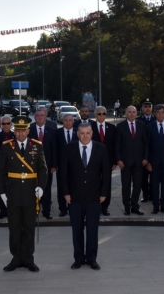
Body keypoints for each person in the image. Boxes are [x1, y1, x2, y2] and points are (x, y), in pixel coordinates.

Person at [0, 116, 48, 272]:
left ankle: (28, 259)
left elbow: (43, 169)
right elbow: (0, 172)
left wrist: (41, 187)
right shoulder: (7, 146)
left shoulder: (37, 146)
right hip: (13, 193)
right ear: (14, 131)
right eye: (17, 130)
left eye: (23, 130)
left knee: (29, 227)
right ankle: (16, 258)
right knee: (15, 227)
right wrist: (2, 193)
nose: (20, 133)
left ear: (28, 130)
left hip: (30, 193)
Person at [60, 122, 110, 270]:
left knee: (93, 229)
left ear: (92, 133)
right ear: (77, 134)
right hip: (74, 197)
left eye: (87, 133)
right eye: (82, 133)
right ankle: (78, 258)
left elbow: (106, 173)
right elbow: (63, 173)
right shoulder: (68, 148)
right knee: (77, 229)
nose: (85, 136)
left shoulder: (101, 148)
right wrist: (66, 192)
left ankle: (92, 258)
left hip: (95, 197)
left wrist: (104, 193)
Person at [114, 105, 149, 215]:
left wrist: (145, 158)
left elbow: (146, 144)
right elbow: (117, 145)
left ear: (137, 114)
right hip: (125, 162)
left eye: (134, 112)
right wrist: (118, 159)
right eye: (129, 112)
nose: (132, 114)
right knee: (126, 186)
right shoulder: (120, 126)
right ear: (125, 113)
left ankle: (135, 206)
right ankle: (127, 207)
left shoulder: (142, 125)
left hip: (139, 161)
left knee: (138, 185)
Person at [146, 104, 164, 215]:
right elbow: (147, 146)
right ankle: (155, 206)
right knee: (154, 184)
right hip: (153, 162)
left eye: (162, 112)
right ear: (155, 114)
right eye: (158, 112)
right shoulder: (149, 127)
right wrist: (147, 161)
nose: (160, 114)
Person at [29, 109, 57, 219]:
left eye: (42, 115)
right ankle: (34, 211)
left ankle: (46, 211)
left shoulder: (52, 131)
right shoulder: (29, 130)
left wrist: (54, 165)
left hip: (47, 166)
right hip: (32, 166)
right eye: (37, 115)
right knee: (33, 188)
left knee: (46, 188)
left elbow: (54, 149)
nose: (40, 117)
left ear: (45, 117)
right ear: (34, 117)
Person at [90, 106, 116, 216]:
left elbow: (115, 146)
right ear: (95, 115)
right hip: (93, 161)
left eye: (104, 114)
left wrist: (114, 161)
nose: (101, 116)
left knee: (106, 183)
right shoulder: (90, 127)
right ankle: (95, 206)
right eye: (99, 114)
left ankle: (105, 207)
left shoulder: (112, 127)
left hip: (108, 161)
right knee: (94, 184)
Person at [0, 116, 14, 218]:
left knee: (12, 192)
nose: (6, 125)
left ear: (11, 124)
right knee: (1, 190)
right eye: (3, 124)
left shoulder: (15, 136)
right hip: (0, 170)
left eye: (8, 123)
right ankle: (2, 211)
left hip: (13, 170)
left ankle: (11, 211)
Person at [55, 114, 76, 217]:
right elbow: (54, 149)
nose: (68, 122)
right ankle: (62, 209)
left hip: (75, 167)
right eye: (65, 120)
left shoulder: (78, 132)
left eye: (70, 120)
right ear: (62, 121)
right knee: (61, 187)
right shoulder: (57, 133)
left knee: (73, 187)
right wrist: (55, 164)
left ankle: (72, 207)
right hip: (61, 166)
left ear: (73, 121)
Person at [138, 99, 154, 203]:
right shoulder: (138, 120)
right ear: (142, 108)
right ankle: (145, 194)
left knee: (154, 177)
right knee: (143, 177)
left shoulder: (156, 119)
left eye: (149, 106)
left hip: (154, 153)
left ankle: (153, 194)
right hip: (142, 154)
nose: (147, 108)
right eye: (145, 106)